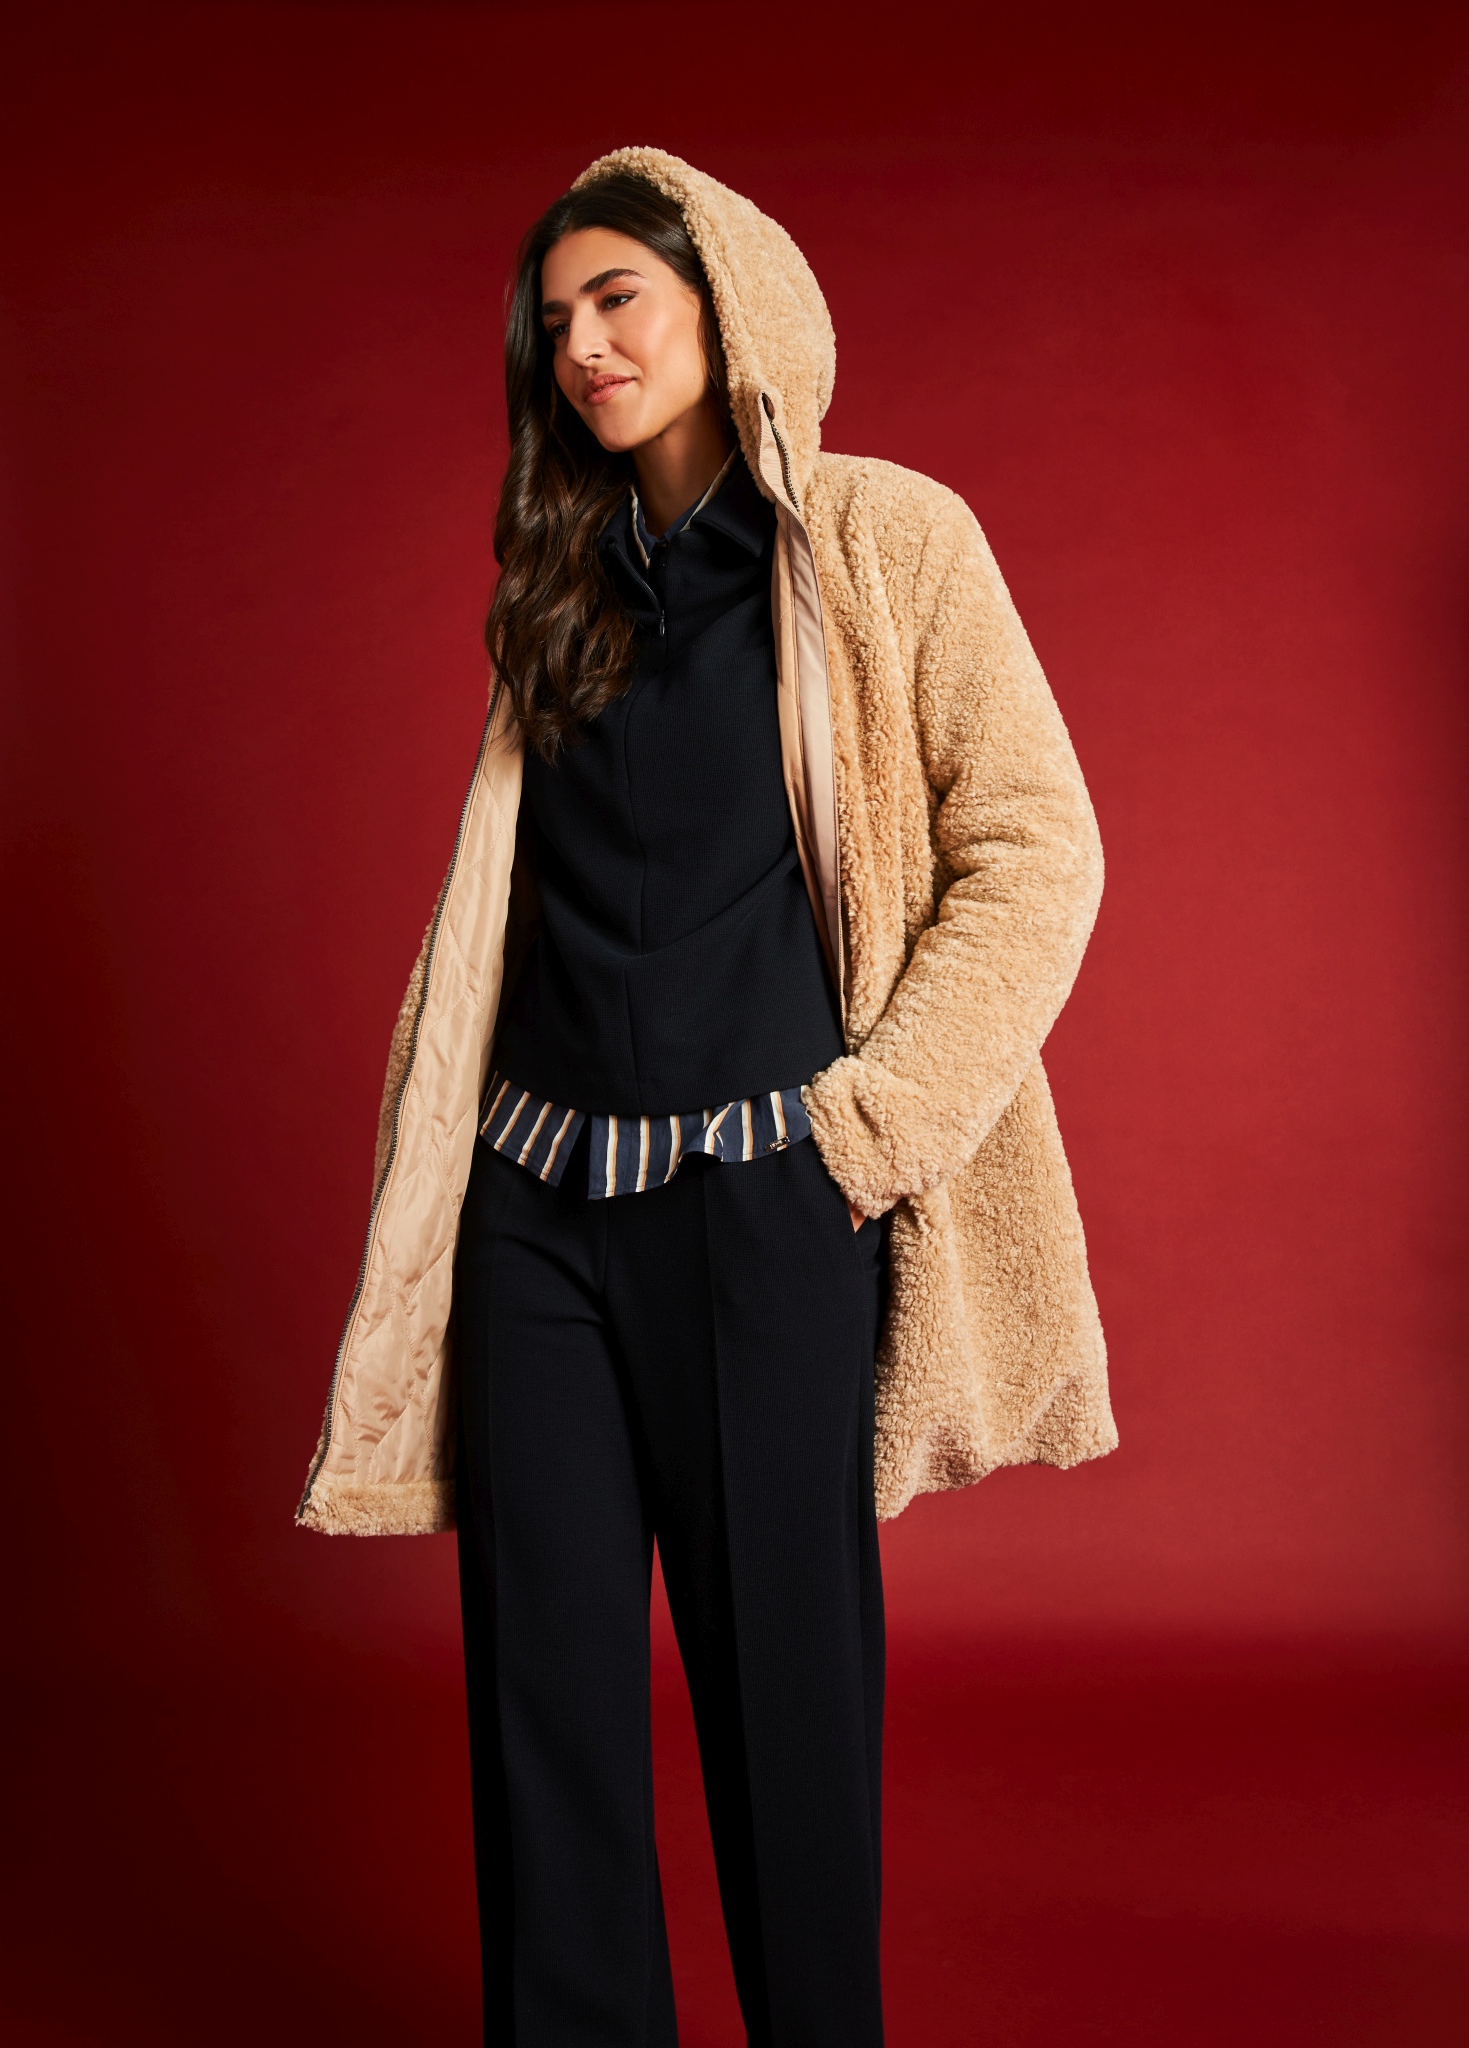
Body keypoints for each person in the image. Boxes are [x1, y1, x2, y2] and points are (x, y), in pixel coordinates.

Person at [298, 147, 1116, 2048]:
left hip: (765, 1206)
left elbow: (1037, 846)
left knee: (787, 1698)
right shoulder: (560, 585)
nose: (584, 344)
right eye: (556, 318)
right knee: (547, 1703)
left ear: (726, 295)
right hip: (535, 1217)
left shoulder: (886, 541)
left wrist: (868, 1134)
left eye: (619, 297)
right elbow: (514, 907)